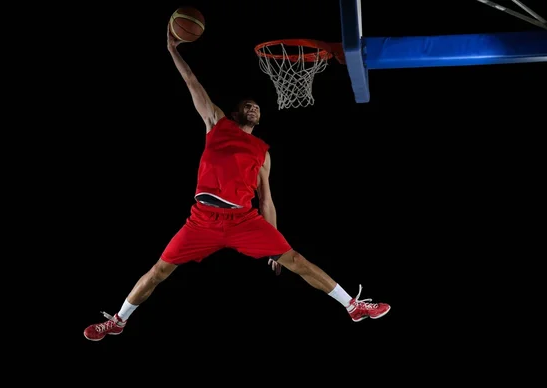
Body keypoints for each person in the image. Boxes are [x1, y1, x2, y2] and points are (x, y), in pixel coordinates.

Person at [83, 25, 391, 342]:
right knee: (159, 270)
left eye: (257, 107)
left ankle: (353, 307)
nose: (254, 108)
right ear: (234, 112)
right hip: (202, 219)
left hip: (243, 220)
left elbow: (266, 200)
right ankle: (117, 321)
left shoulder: (263, 153)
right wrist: (173, 51)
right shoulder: (217, 124)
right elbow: (192, 83)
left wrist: (273, 241)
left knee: (297, 260)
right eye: (248, 105)